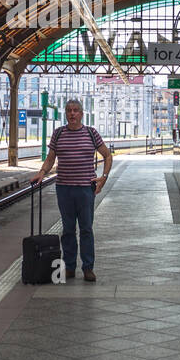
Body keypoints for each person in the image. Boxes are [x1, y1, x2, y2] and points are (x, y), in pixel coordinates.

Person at [32, 99, 112, 281]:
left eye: (76, 110)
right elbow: (51, 159)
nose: (72, 113)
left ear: (82, 114)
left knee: (86, 229)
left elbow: (107, 156)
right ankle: (69, 267)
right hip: (64, 189)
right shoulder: (58, 134)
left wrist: (104, 178)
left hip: (85, 189)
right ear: (65, 114)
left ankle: (88, 268)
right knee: (68, 230)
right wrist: (41, 173)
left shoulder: (91, 133)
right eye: (69, 110)